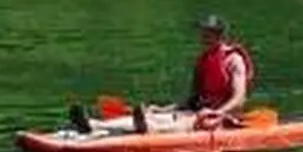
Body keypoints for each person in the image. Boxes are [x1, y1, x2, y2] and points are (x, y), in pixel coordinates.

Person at [68, 14, 254, 136]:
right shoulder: (203, 60)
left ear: (219, 35)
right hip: (199, 112)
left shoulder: (234, 60)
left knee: (184, 122)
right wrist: (163, 109)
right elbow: (193, 99)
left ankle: (150, 128)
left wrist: (217, 112)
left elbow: (239, 98)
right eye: (202, 33)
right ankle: (94, 125)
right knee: (159, 115)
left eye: (207, 33)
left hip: (223, 118)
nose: (202, 37)